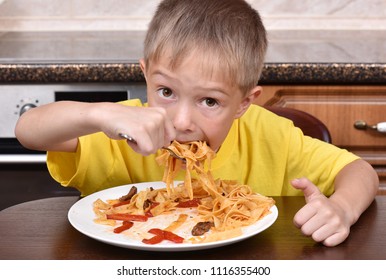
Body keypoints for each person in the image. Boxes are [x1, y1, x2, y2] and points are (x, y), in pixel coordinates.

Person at [15, 0, 378, 247]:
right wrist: (97, 113)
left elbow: (360, 171)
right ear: (145, 75)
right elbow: (28, 130)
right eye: (166, 91)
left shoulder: (271, 136)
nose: (182, 121)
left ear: (244, 103)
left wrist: (342, 208)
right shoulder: (117, 128)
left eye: (209, 101)